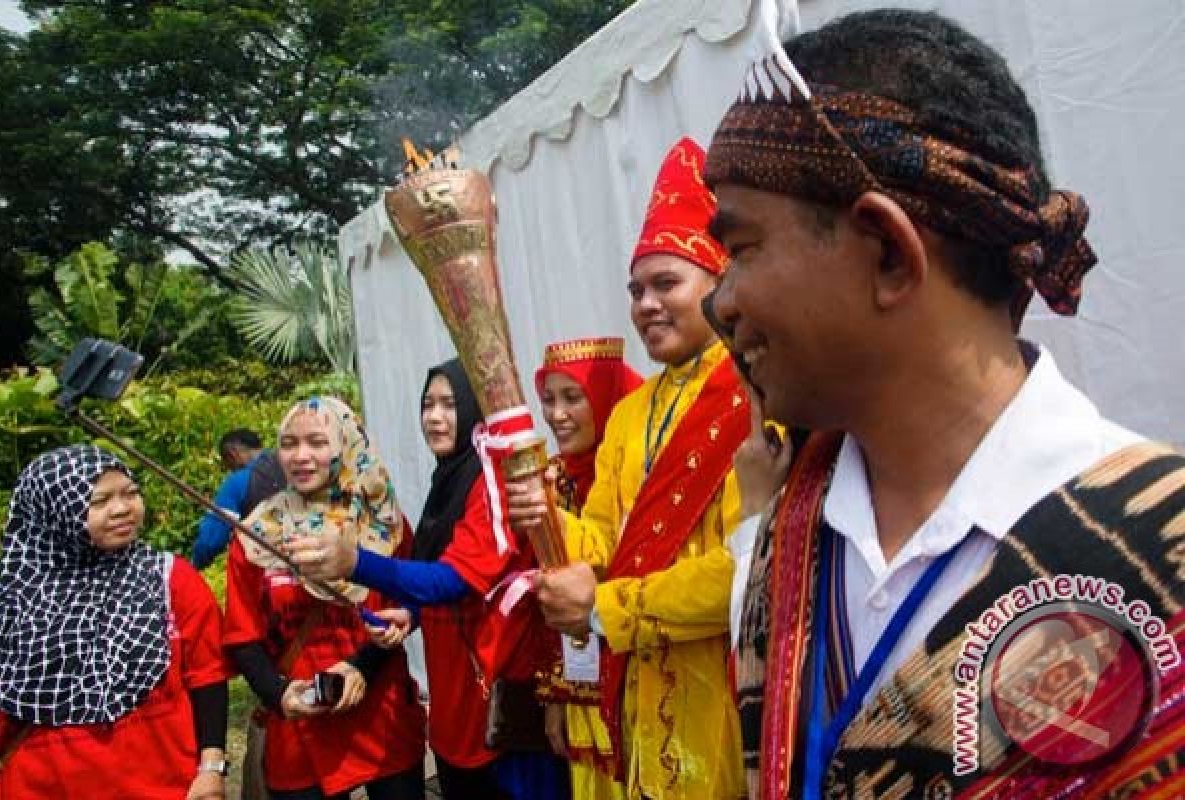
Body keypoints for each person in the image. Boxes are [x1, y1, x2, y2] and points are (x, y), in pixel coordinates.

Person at [705, 9, 1185, 798]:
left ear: (889, 252)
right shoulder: (790, 536)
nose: (720, 302)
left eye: (742, 247)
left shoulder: (1159, 556)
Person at [506, 137, 750, 799]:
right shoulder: (630, 413)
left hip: (724, 698)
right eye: (636, 289)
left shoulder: (756, 391)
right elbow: (610, 543)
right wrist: (548, 518)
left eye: (666, 283)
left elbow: (748, 568)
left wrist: (606, 606)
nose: (645, 303)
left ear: (719, 278)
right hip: (636, 696)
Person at [284, 359, 567, 800]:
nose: (434, 417)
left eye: (450, 404)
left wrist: (355, 563)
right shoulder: (449, 479)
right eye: (427, 404)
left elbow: (456, 579)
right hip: (453, 694)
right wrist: (411, 614)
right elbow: (439, 569)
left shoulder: (492, 482)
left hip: (494, 691)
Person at [0, 445, 229, 799]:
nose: (122, 509)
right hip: (40, 786)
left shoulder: (168, 580)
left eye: (130, 494)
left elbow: (207, 677)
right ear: (54, 511)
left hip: (160, 785)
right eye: (99, 501)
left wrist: (211, 769)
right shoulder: (10, 602)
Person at [224, 396, 426, 800]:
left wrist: (360, 668)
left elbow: (410, 604)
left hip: (380, 713)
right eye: (289, 443)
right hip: (299, 725)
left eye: (317, 442)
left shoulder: (384, 522)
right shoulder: (256, 533)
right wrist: (279, 693)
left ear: (347, 444)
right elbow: (241, 634)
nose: (301, 456)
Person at [534, 337, 643, 799]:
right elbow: (552, 598)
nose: (557, 414)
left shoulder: (639, 472)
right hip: (581, 694)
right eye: (549, 400)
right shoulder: (551, 480)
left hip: (643, 686)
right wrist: (556, 696)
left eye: (573, 397)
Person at [193, 430, 286, 569]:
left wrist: (195, 565)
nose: (230, 470)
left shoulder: (238, 482)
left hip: (263, 571)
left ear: (233, 454)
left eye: (228, 463)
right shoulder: (293, 467)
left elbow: (211, 540)